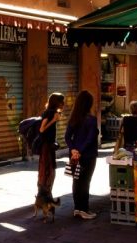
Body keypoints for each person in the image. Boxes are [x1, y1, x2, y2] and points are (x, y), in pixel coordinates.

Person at [64, 89, 100, 219]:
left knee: (76, 181)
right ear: (89, 104)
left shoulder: (73, 118)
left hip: (74, 155)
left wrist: (73, 150)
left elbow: (67, 137)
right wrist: (79, 151)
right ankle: (84, 209)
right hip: (87, 155)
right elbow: (90, 139)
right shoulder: (91, 120)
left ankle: (77, 208)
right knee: (85, 182)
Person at [37, 92, 65, 199]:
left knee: (49, 169)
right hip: (46, 146)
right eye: (61, 101)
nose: (63, 104)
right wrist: (53, 120)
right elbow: (42, 129)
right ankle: (44, 194)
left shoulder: (53, 112)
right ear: (56, 102)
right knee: (47, 169)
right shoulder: (49, 113)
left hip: (49, 145)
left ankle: (46, 193)